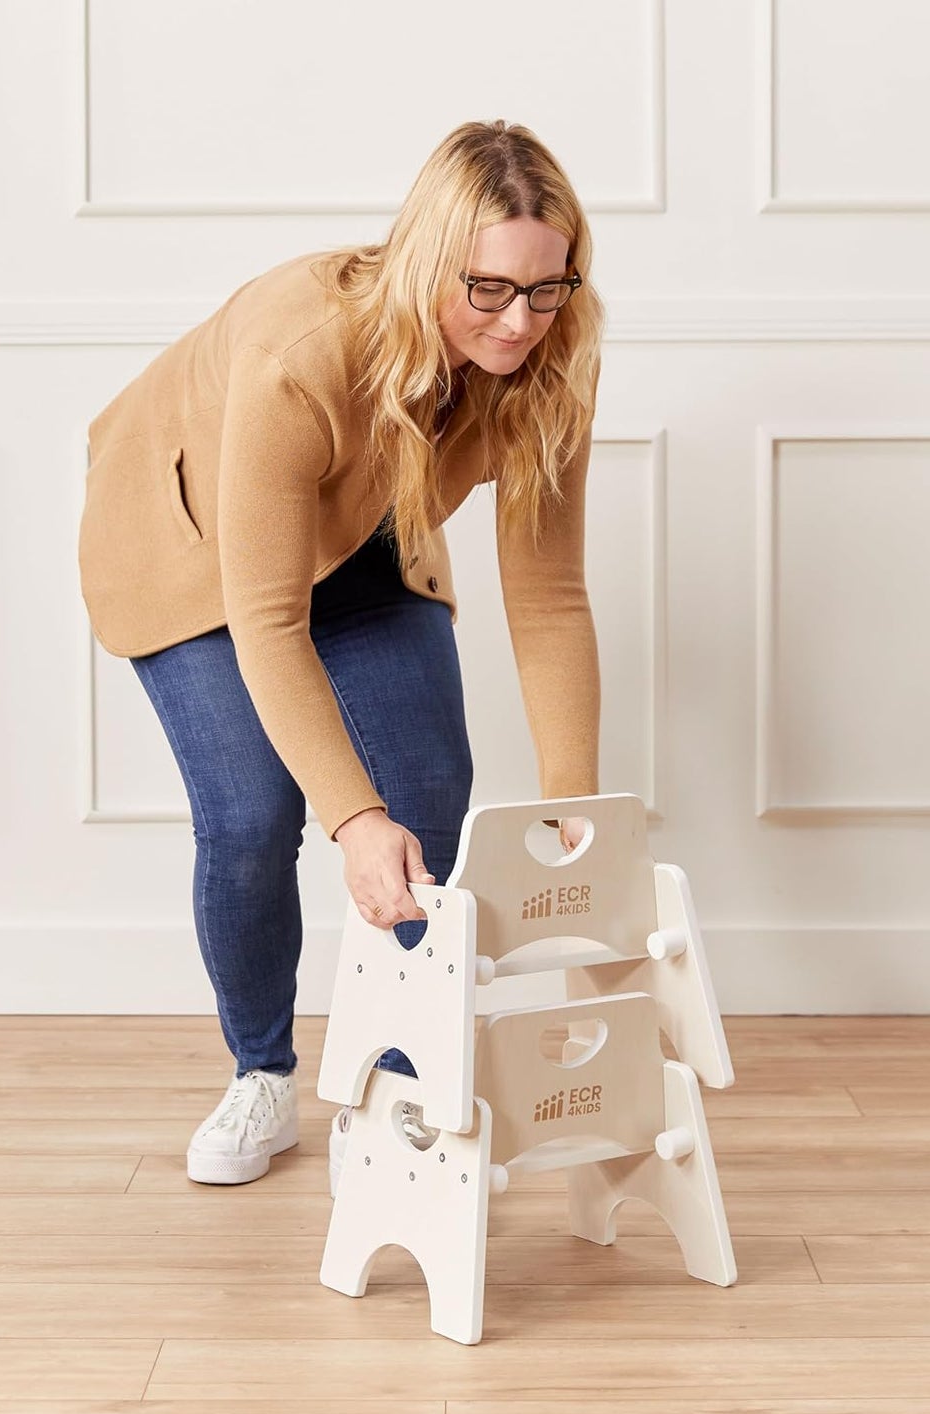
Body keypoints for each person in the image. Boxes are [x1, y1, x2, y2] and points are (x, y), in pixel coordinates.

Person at [78, 119, 604, 1186]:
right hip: (194, 543)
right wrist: (352, 819)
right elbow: (268, 618)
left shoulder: (553, 358)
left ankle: (408, 1086)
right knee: (252, 816)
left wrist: (573, 802)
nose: (518, 322)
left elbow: (548, 598)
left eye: (545, 288)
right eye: (488, 288)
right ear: (426, 262)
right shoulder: (298, 352)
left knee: (428, 795)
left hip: (366, 530)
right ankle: (260, 1074)